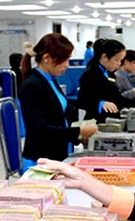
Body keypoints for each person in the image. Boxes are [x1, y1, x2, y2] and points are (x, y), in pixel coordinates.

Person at [19, 33, 97, 171]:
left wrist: (78, 136)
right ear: (47, 58)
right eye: (64, 59)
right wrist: (78, 131)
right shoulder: (32, 85)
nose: (67, 65)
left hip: (59, 154)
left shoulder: (50, 80)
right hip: (41, 160)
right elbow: (39, 129)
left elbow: (60, 118)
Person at [78, 38, 135, 123]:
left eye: (121, 60)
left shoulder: (110, 73)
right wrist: (101, 104)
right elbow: (83, 100)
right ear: (104, 57)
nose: (119, 63)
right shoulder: (89, 75)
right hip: (95, 121)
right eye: (116, 60)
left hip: (110, 119)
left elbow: (117, 98)